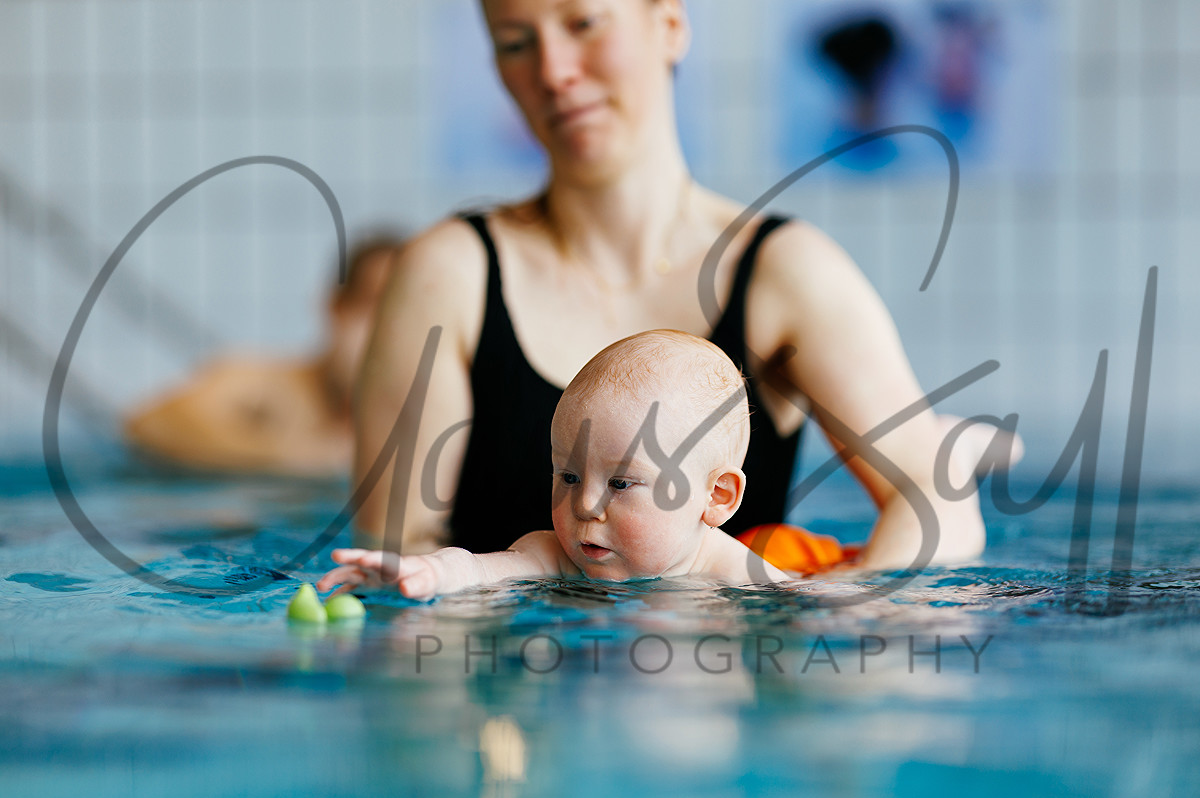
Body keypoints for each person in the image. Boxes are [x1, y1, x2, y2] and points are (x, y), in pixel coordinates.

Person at [354, 0, 1017, 569]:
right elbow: (398, 551)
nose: (553, 71)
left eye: (583, 24)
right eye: (515, 42)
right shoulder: (448, 274)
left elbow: (936, 507)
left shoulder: (787, 274)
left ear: (669, 24)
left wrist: (832, 605)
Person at [320, 330, 792, 600]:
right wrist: (424, 573)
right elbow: (478, 570)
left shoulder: (740, 575)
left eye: (620, 483)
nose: (585, 504)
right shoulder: (555, 557)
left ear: (717, 497)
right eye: (568, 476)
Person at [124, 235, 402, 477]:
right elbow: (152, 424)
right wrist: (291, 458)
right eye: (373, 307)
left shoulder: (407, 419)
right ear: (337, 307)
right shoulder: (265, 383)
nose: (386, 333)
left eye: (400, 318)